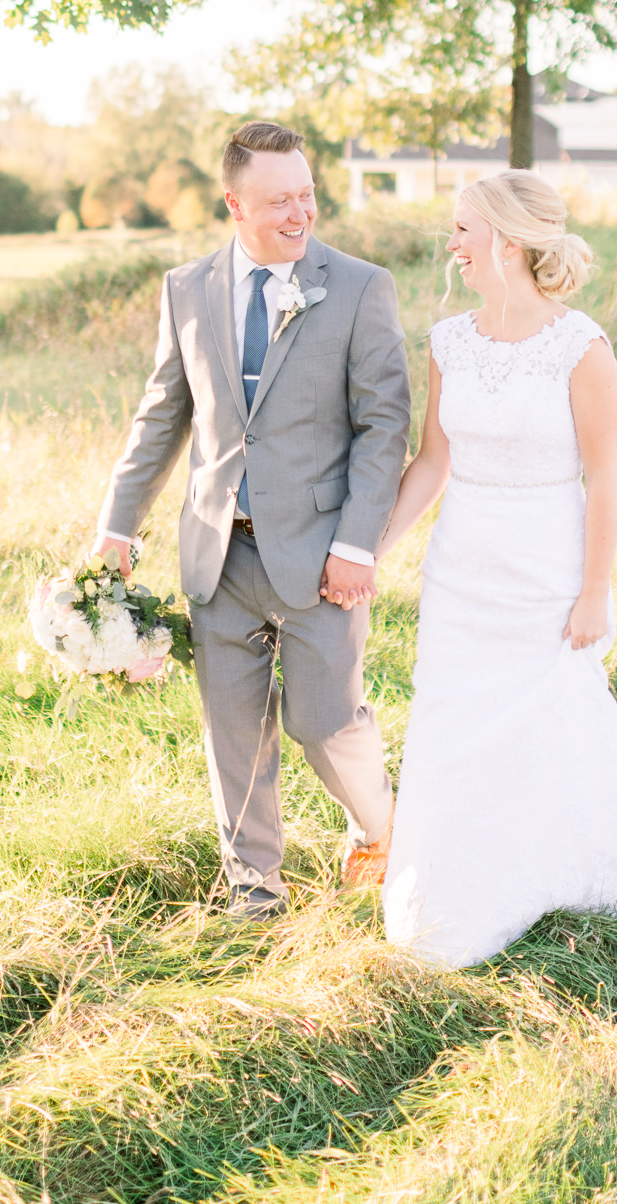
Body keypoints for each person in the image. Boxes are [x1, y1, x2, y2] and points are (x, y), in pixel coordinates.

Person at [378, 169, 617, 968]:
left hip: (547, 571)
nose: (452, 243)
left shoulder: (580, 346)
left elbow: (603, 481)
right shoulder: (449, 341)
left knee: (546, 721)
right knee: (452, 723)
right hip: (461, 572)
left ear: (508, 240)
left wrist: (596, 590)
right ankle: (452, 885)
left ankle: (557, 860)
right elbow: (431, 463)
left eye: (463, 228)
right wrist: (370, 551)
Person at [95, 120, 411, 919]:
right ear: (233, 203)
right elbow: (161, 416)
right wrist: (117, 527)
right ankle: (254, 896)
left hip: (320, 555)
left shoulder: (360, 286)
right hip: (218, 553)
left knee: (324, 720)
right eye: (279, 201)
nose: (299, 213)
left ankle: (387, 827)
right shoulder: (187, 288)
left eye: (306, 195)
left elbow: (384, 427)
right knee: (234, 735)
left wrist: (356, 544)